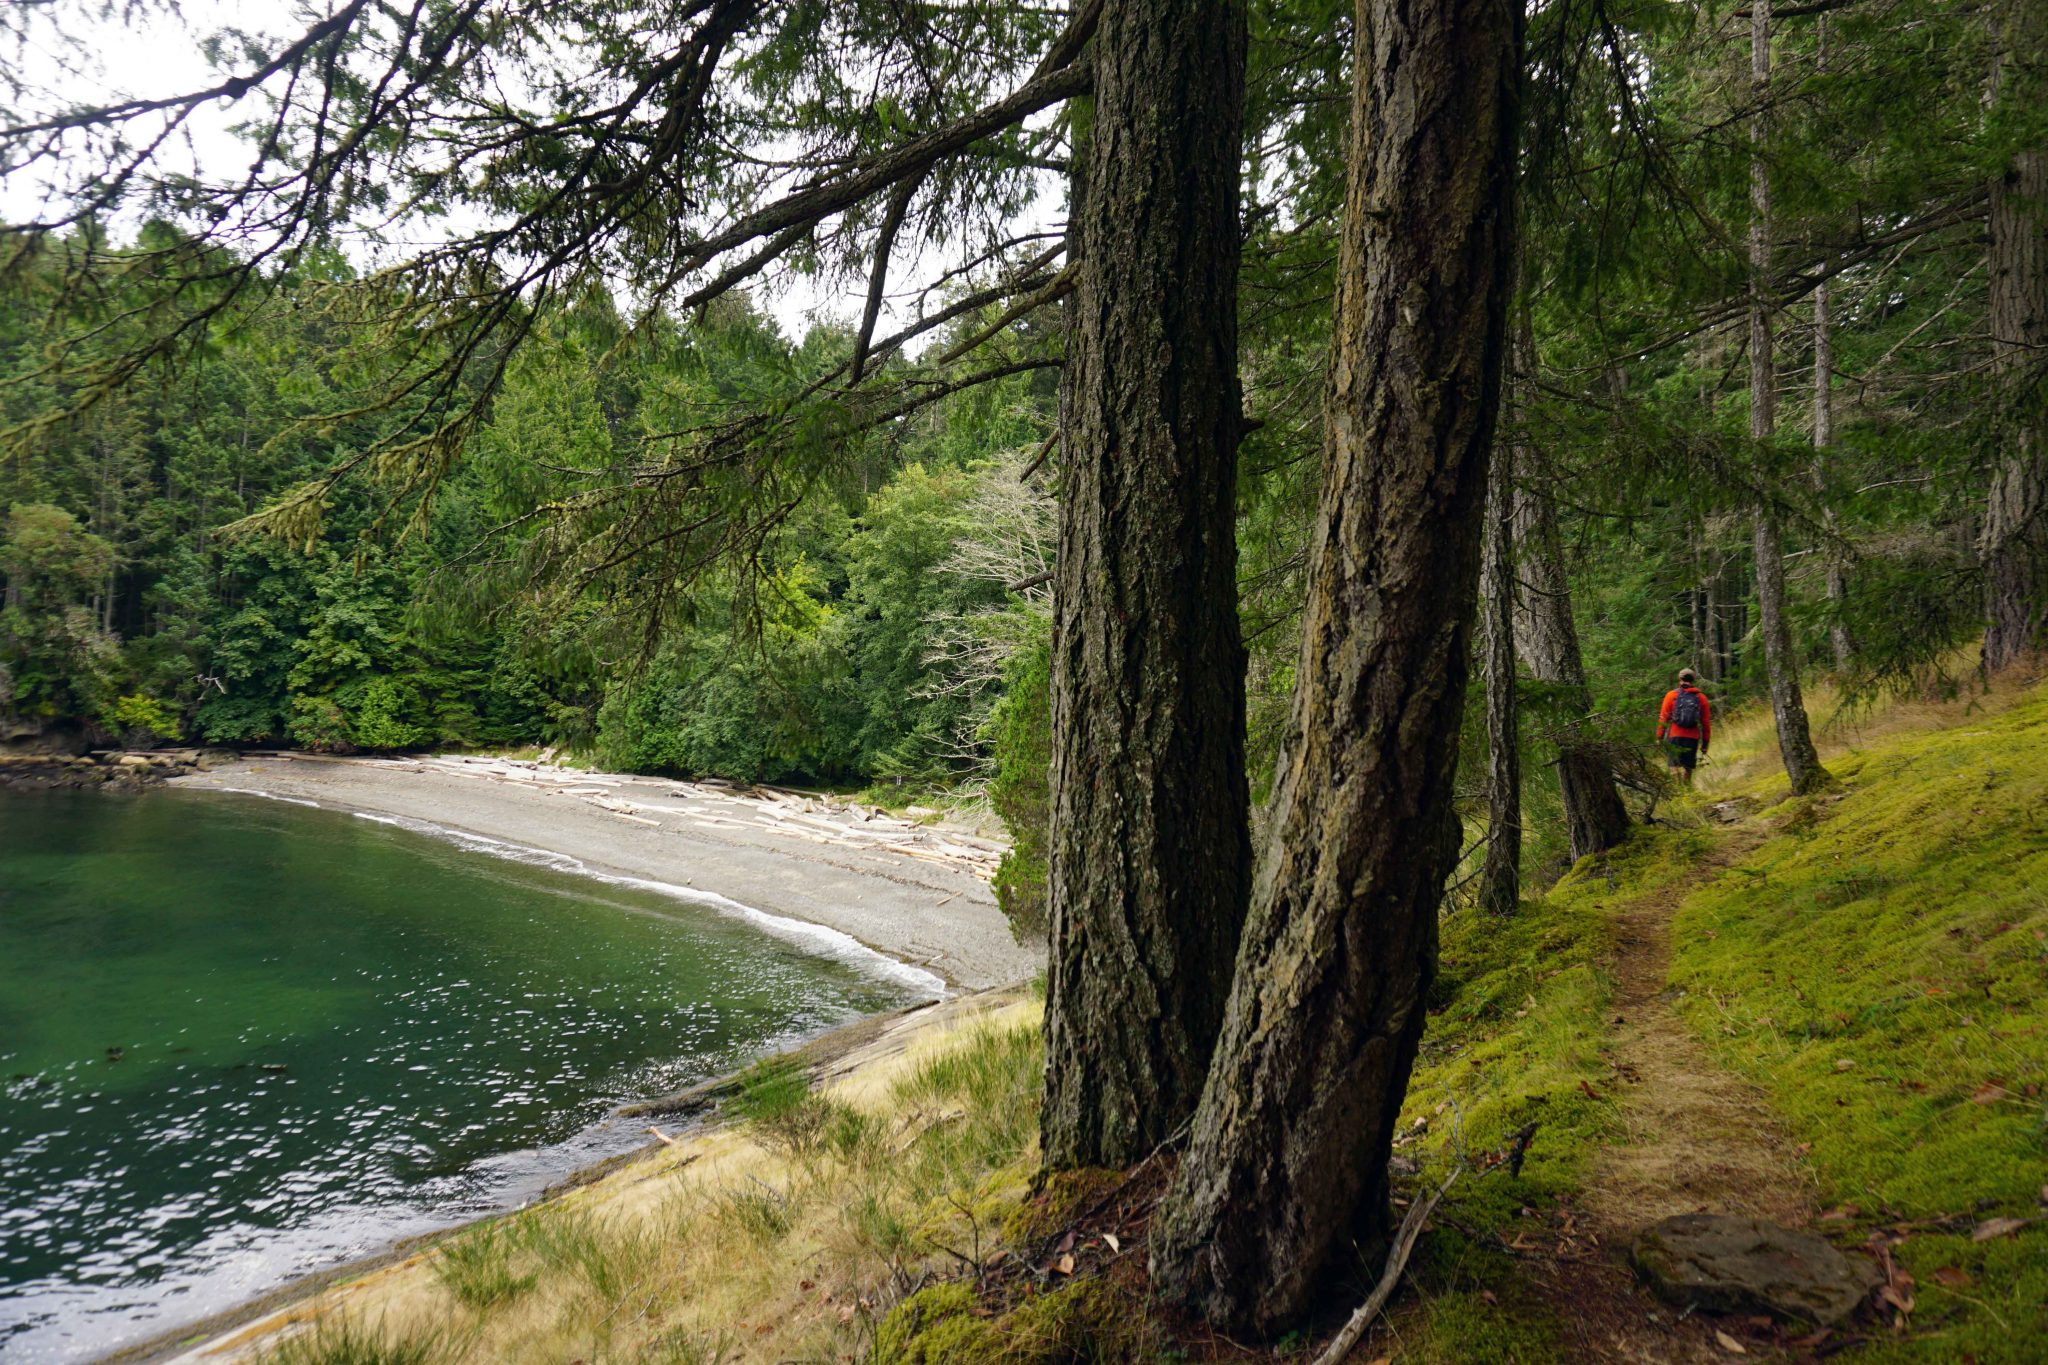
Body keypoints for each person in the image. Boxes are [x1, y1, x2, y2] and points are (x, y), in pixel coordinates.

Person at [1657, 668, 1712, 783]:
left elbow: (1663, 718)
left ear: (1680, 679)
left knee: (1673, 765)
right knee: (1688, 768)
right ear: (1693, 680)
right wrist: (1705, 744)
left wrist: (1659, 736)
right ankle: (1687, 790)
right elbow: (1706, 723)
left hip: (1675, 735)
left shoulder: (1671, 695)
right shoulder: (1701, 698)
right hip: (1692, 737)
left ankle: (1678, 792)